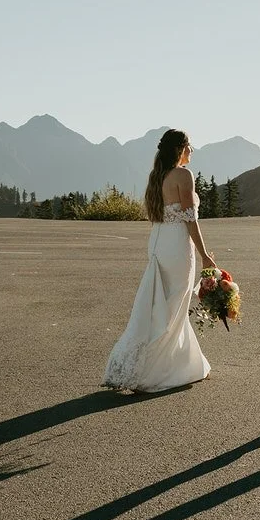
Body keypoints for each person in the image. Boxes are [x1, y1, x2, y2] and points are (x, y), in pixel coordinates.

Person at [103, 129, 213, 392]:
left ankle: (177, 362)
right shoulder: (183, 175)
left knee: (160, 304)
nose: (192, 151)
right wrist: (205, 254)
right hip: (176, 245)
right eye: (189, 146)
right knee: (174, 305)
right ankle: (155, 370)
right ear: (180, 149)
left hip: (158, 242)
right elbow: (189, 217)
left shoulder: (158, 175)